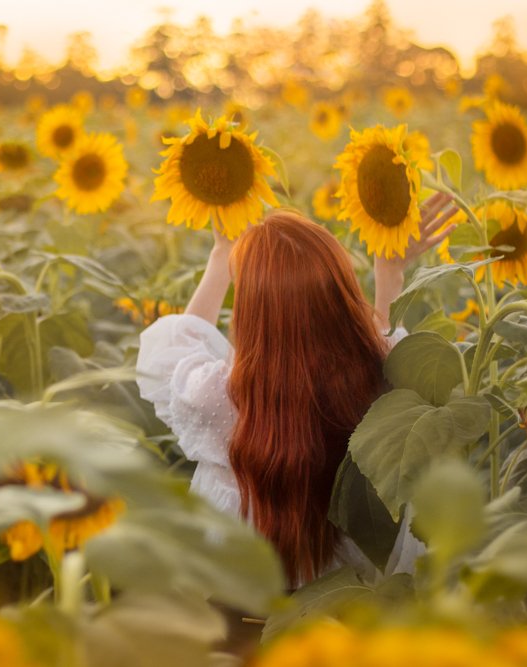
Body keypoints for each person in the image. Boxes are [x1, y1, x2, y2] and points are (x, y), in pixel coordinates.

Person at [135, 194, 458, 587]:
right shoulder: (379, 380)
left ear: (252, 315)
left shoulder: (219, 396)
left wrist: (223, 253)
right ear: (341, 296)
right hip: (344, 609)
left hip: (234, 599)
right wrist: (390, 272)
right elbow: (389, 349)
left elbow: (176, 346)